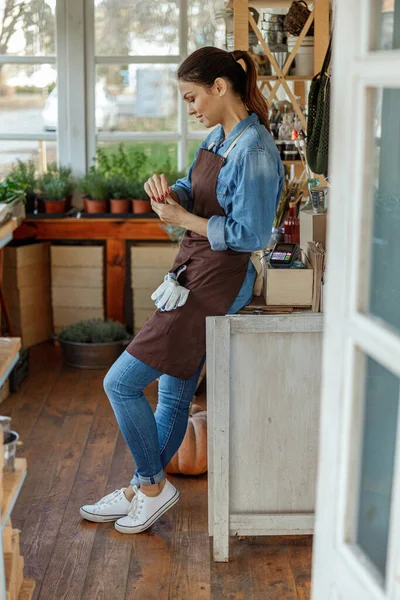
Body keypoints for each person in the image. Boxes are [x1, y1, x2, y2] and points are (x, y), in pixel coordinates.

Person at [80, 46, 284, 534]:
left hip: (222, 279)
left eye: (193, 97)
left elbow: (252, 234)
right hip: (196, 268)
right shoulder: (220, 137)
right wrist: (171, 195)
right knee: (173, 395)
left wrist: (184, 218)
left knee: (120, 382)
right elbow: (196, 188)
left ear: (220, 88)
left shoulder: (254, 150)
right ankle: (140, 486)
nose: (190, 108)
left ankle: (151, 486)